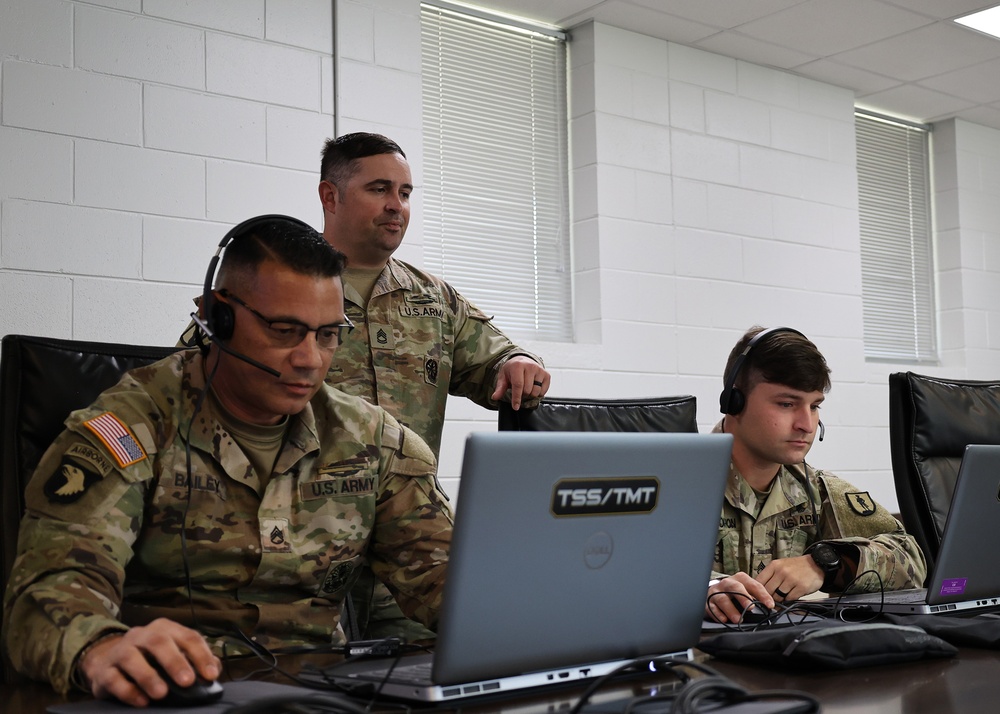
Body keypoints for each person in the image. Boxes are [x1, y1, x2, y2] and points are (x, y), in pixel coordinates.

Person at [2, 216, 452, 705]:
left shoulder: (372, 439)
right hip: (173, 692)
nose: (310, 359)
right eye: (285, 330)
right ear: (217, 317)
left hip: (322, 696)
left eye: (326, 334)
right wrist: (98, 646)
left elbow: (446, 579)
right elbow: (49, 590)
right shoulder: (132, 426)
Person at [317, 132, 551, 639]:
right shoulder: (282, 291)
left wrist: (518, 361)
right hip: (303, 546)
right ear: (329, 196)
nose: (395, 206)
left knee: (443, 666)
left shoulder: (430, 298)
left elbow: (498, 358)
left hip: (410, 545)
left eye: (404, 193)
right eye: (379, 189)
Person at [705, 326, 926, 624]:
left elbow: (911, 557)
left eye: (815, 406)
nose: (806, 425)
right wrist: (705, 588)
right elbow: (628, 567)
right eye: (787, 404)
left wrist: (827, 565)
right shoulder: (676, 486)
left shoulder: (815, 489)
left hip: (789, 655)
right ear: (734, 402)